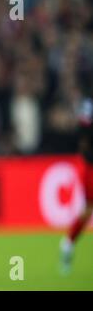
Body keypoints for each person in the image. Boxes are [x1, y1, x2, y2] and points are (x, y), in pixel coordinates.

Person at [60, 96, 93, 274]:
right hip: (90, 165)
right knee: (88, 210)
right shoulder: (88, 103)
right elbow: (83, 132)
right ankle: (68, 243)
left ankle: (68, 244)